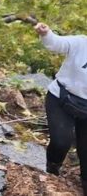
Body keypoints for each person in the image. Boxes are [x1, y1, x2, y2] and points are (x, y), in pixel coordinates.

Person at [35, 21, 87, 193]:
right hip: (61, 98)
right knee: (61, 141)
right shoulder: (81, 42)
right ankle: (52, 169)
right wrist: (46, 33)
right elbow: (57, 43)